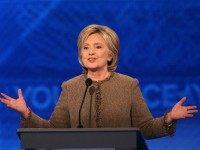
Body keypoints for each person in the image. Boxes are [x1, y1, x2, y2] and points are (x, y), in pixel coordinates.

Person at [0, 24, 198, 139]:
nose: (91, 52)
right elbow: (54, 131)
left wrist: (169, 118)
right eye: (85, 47)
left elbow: (144, 129)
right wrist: (26, 113)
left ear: (111, 55)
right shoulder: (70, 87)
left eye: (97, 46)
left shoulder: (129, 85)